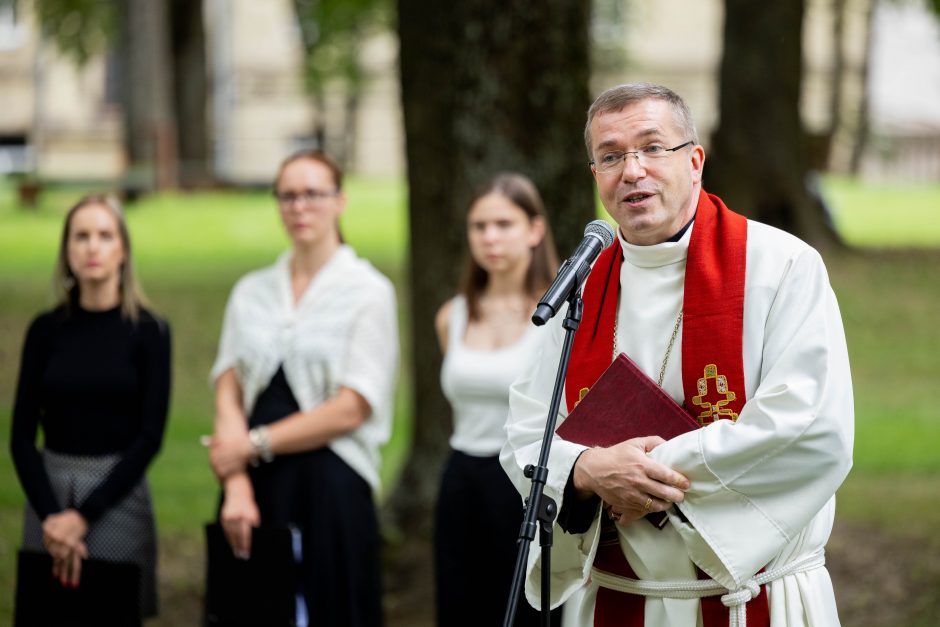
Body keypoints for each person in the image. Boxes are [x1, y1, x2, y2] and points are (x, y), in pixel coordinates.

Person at [500, 82, 854, 626]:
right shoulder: (582, 284)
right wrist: (588, 469)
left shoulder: (780, 266)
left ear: (694, 161)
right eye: (611, 156)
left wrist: (642, 473)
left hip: (750, 599)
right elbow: (526, 433)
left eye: (652, 148)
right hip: (613, 598)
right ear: (595, 176)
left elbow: (809, 427)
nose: (632, 170)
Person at [206, 150, 399, 626]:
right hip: (254, 491)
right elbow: (228, 387)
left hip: (331, 488)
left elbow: (350, 409)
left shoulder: (368, 291)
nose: (299, 206)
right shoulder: (251, 291)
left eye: (313, 193)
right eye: (287, 195)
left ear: (339, 201)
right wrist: (234, 484)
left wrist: (252, 445)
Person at [10, 194, 171, 620]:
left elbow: (150, 436)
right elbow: (21, 438)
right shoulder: (45, 331)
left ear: (123, 250)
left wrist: (84, 517)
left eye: (105, 235)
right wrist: (54, 519)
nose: (92, 247)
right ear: (66, 251)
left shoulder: (150, 331)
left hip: (117, 499)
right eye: (81, 236)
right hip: (48, 500)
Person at [433, 173, 562, 627]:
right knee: (460, 606)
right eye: (479, 226)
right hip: (461, 478)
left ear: (535, 229)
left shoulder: (560, 316)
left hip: (525, 484)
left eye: (504, 224)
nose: (490, 237)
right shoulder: (454, 315)